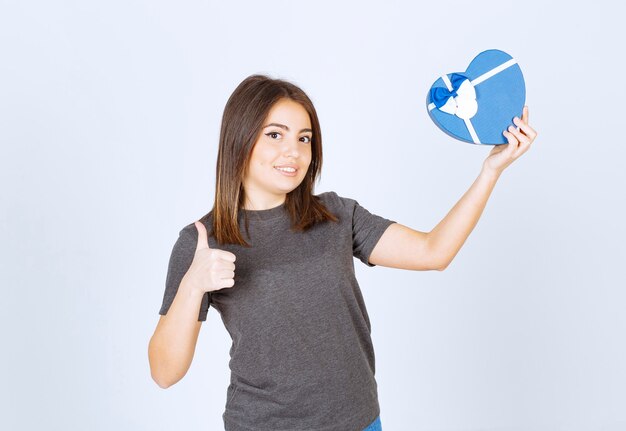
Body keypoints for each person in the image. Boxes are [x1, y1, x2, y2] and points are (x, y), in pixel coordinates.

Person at [147, 74, 538, 431]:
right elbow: (165, 372)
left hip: (361, 421)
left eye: (304, 138)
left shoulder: (335, 215)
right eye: (275, 135)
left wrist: (490, 171)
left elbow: (434, 251)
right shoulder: (203, 239)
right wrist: (193, 285)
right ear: (240, 138)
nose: (294, 152)